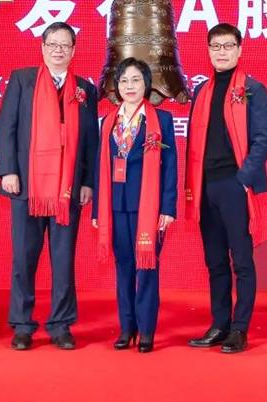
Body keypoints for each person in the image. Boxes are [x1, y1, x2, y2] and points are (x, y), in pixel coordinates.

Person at [0, 21, 99, 350]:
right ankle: (22, 325)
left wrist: (88, 181)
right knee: (24, 258)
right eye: (53, 44)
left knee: (63, 260)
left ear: (73, 50)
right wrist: (8, 171)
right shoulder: (22, 80)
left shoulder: (85, 90)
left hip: (68, 188)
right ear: (42, 47)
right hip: (26, 186)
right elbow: (7, 127)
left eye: (65, 45)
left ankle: (61, 325)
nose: (58, 50)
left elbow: (90, 141)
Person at [185, 23, 267, 354]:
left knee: (241, 260)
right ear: (208, 50)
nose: (221, 52)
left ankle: (239, 328)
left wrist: (243, 178)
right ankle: (220, 324)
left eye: (228, 46)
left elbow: (264, 138)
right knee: (215, 260)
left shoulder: (253, 89)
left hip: (234, 185)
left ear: (240, 49)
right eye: (215, 46)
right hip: (205, 185)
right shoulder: (201, 91)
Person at [93, 58, 177, 353]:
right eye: (124, 81)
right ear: (117, 86)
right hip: (115, 207)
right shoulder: (108, 122)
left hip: (148, 207)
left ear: (146, 85)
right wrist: (97, 211)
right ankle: (126, 328)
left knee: (147, 267)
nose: (130, 86)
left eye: (136, 80)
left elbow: (170, 166)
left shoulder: (161, 120)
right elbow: (100, 167)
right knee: (124, 268)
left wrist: (168, 208)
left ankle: (146, 330)